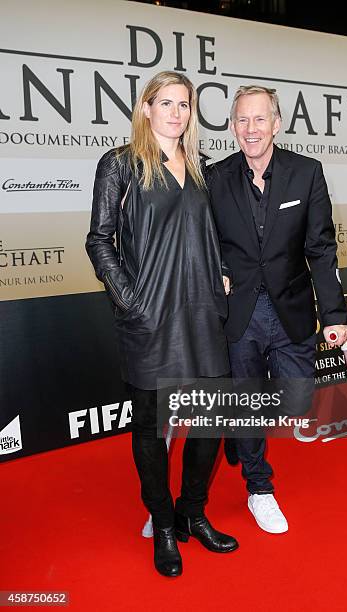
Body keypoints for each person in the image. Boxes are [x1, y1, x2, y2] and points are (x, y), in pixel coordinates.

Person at [86, 71, 238, 577]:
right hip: (150, 316)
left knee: (213, 418)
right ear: (145, 108)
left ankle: (192, 511)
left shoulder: (199, 169)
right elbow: (99, 240)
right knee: (151, 429)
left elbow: (204, 236)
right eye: (165, 102)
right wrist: (131, 301)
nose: (176, 112)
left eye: (184, 104)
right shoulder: (121, 164)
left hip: (202, 313)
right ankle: (163, 524)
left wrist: (220, 276)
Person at [208, 85, 347, 534]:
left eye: (259, 119)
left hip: (290, 305)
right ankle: (259, 487)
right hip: (240, 310)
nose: (251, 129)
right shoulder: (214, 178)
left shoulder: (306, 173)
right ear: (232, 126)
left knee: (296, 397)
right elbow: (204, 241)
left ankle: (238, 431)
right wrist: (220, 271)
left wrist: (334, 314)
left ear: (276, 123)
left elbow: (321, 248)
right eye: (242, 121)